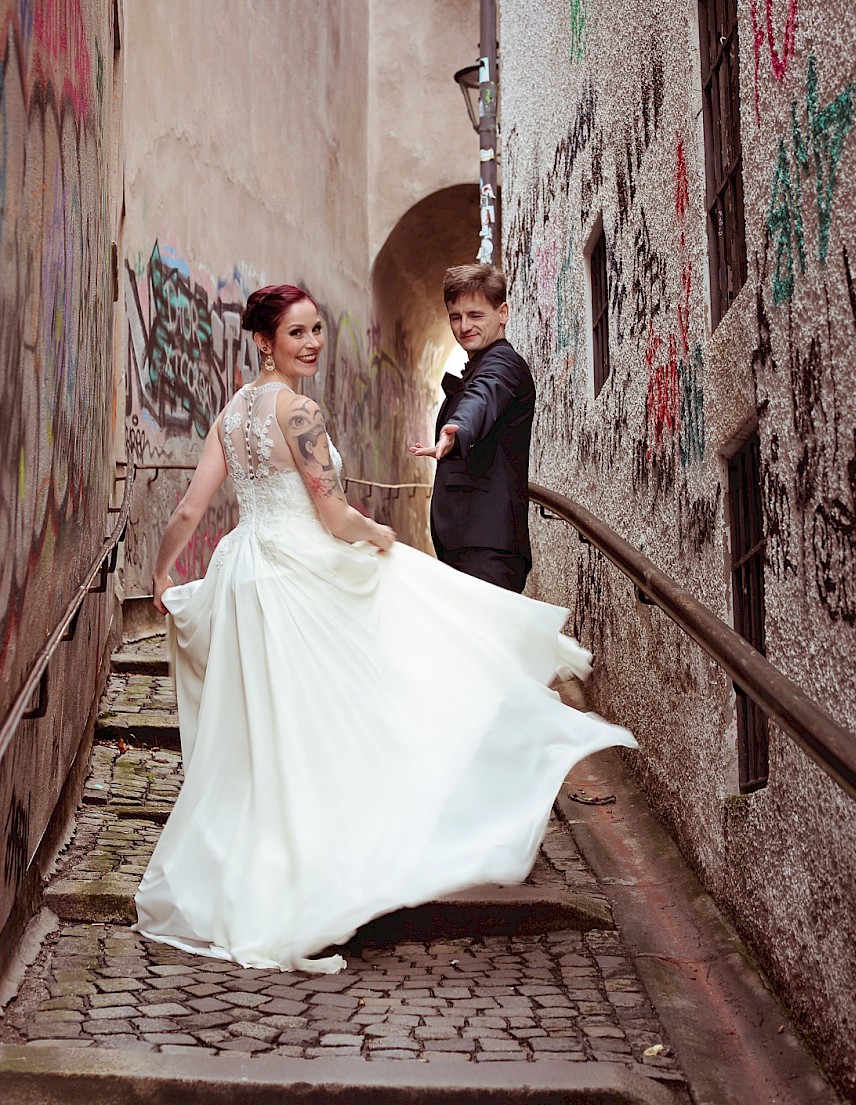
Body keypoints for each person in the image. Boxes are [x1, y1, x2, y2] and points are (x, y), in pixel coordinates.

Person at [133, 284, 635, 974]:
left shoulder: (232, 411)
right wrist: (382, 537)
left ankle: (270, 872)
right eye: (297, 332)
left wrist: (160, 576)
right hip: (297, 580)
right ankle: (318, 877)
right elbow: (333, 514)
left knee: (269, 734)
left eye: (316, 329)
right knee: (330, 721)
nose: (312, 342)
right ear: (262, 340)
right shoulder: (300, 410)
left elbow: (191, 509)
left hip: (245, 574)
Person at [410, 264, 534, 593]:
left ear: (502, 312)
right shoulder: (479, 363)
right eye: (455, 316)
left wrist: (458, 427)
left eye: (476, 315)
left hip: (488, 551)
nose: (464, 326)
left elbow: (484, 395)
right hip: (468, 546)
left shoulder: (502, 362)